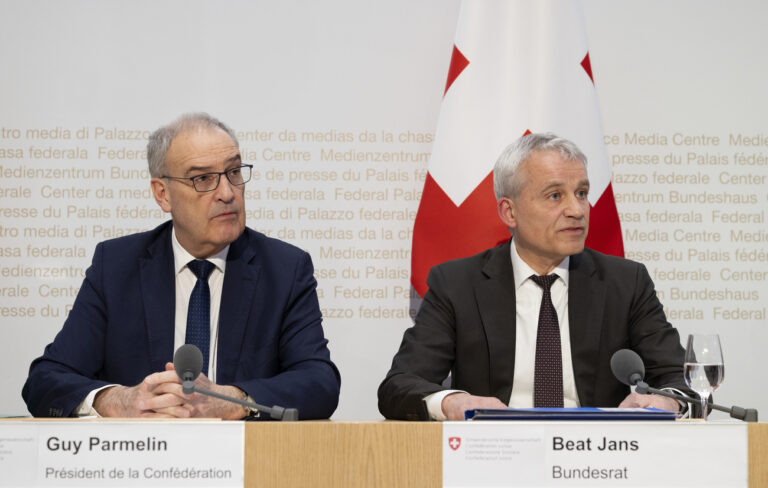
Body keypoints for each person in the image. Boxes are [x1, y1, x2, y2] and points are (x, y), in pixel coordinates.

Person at [23, 112, 340, 420]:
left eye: (233, 172)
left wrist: (234, 401)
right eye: (203, 179)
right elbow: (46, 381)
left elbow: (319, 382)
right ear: (163, 194)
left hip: (244, 452)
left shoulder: (284, 270)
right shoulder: (116, 266)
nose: (227, 193)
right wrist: (119, 401)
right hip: (142, 452)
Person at [378, 133, 688, 421]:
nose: (577, 210)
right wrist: (452, 403)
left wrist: (668, 402)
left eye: (581, 193)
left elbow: (680, 379)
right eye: (555, 196)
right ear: (509, 212)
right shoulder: (458, 284)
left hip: (596, 452)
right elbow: (400, 385)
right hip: (494, 451)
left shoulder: (626, 282)